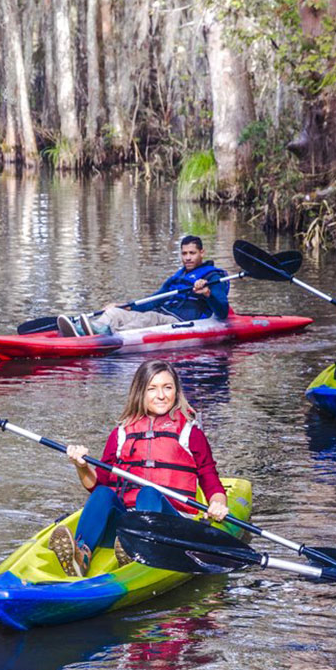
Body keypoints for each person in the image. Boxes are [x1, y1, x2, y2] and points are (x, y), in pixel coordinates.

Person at [53, 360, 230, 576]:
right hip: (125, 526)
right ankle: (81, 555)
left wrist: (218, 505)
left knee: (149, 493)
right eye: (152, 388)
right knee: (102, 493)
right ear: (140, 392)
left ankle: (135, 548)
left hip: (171, 528)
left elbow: (210, 480)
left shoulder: (190, 434)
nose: (161, 395)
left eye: (168, 387)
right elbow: (98, 485)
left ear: (176, 390)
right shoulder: (121, 433)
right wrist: (81, 466)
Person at [60, 235, 230, 336]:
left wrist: (208, 293)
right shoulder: (178, 277)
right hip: (161, 314)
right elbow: (154, 300)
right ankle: (90, 329)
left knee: (150, 318)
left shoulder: (212, 277)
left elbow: (222, 311)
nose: (187, 258)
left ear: (202, 253)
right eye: (184, 253)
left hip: (182, 321)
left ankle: (106, 334)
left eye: (192, 253)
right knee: (114, 312)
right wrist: (126, 307)